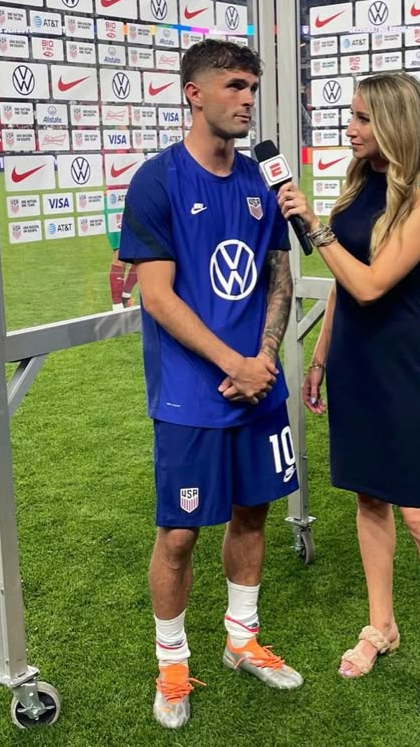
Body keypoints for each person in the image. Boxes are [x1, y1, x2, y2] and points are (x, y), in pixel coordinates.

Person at [276, 71, 420, 726]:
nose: (350, 128)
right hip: (350, 365)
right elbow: (344, 290)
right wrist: (318, 358)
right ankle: (382, 626)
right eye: (351, 116)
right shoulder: (361, 184)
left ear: (395, 123)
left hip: (397, 369)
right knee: (370, 500)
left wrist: (314, 226)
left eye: (363, 119)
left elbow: (371, 285)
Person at [118, 39, 302, 730]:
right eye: (233, 86)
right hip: (193, 395)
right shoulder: (158, 181)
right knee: (178, 535)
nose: (247, 99)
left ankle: (241, 639)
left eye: (251, 87)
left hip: (259, 384)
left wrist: (262, 359)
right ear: (194, 93)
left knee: (253, 513)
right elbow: (158, 298)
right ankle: (171, 661)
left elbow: (279, 275)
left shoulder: (263, 181)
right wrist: (233, 364)